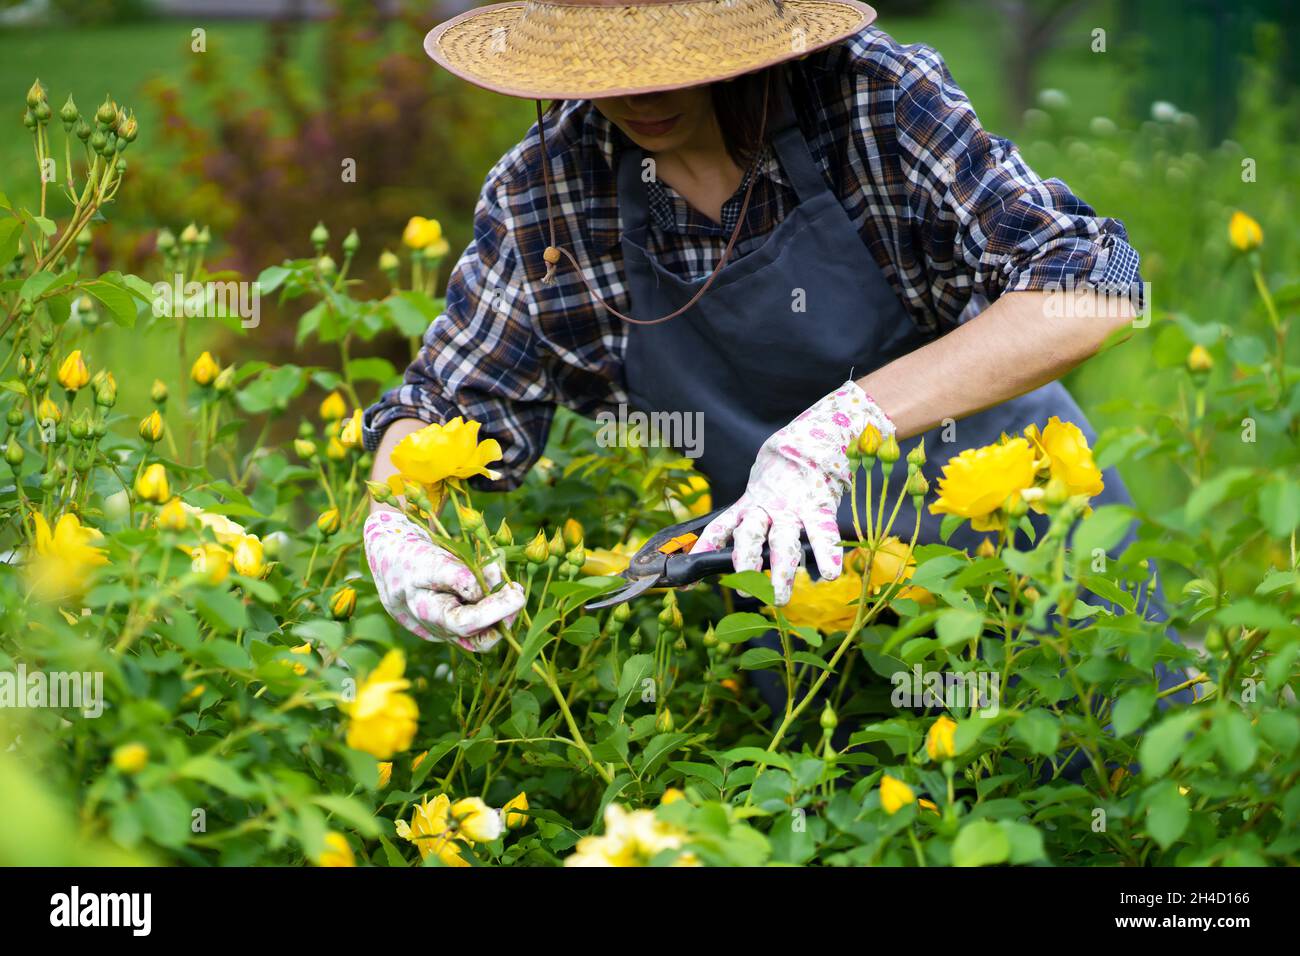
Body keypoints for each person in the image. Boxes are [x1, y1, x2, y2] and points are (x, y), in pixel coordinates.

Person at [362, 0, 1145, 653]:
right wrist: (401, 528)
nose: (640, 93)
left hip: (1021, 557)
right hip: (797, 606)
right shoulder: (551, 192)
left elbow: (1092, 289)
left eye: (673, 55)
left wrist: (838, 428)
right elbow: (443, 407)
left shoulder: (866, 98)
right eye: (605, 64)